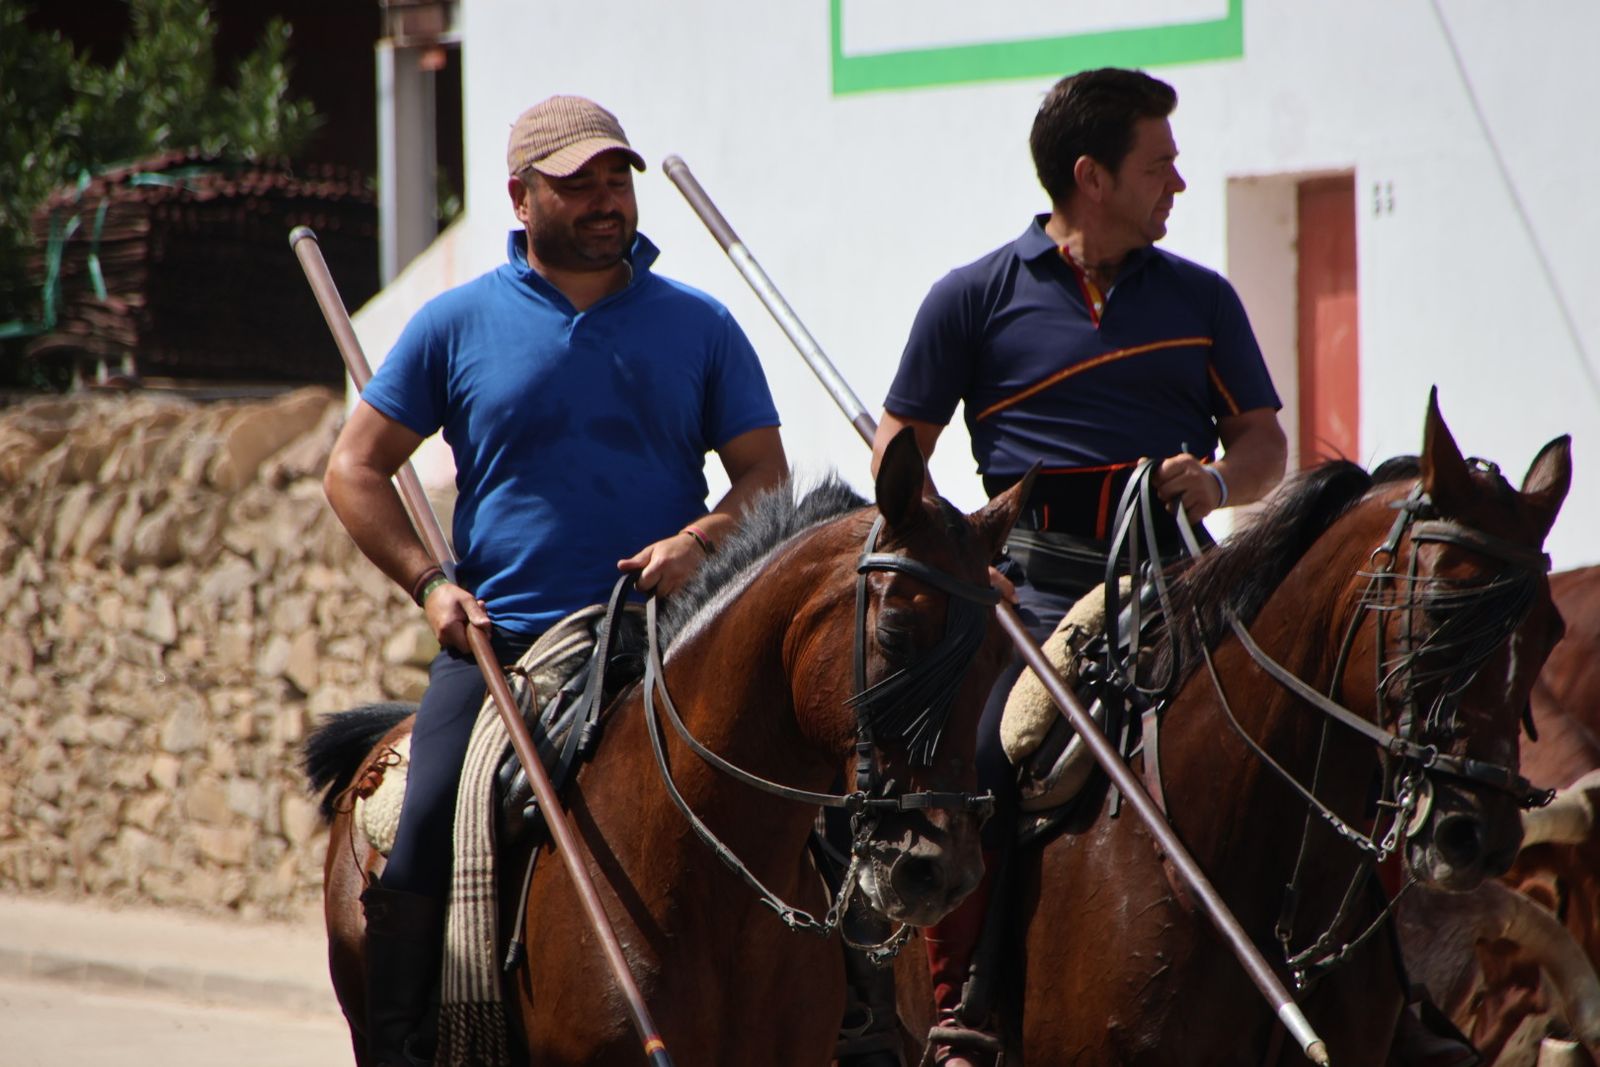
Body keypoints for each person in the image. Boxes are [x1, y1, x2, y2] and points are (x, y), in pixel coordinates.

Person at [322, 94, 788, 1067]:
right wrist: (428, 586)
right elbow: (354, 467)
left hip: (667, 635)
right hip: (509, 641)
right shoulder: (456, 323)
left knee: (806, 793)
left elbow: (764, 478)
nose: (606, 199)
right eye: (577, 183)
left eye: (616, 178)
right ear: (519, 196)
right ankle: (405, 1040)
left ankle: (865, 1019)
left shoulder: (699, 325)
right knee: (424, 815)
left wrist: (702, 540)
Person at [868, 68, 1286, 1067]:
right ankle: (966, 1001)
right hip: (1037, 590)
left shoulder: (1202, 298)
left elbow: (1264, 443)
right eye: (1161, 164)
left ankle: (1385, 990)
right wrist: (962, 557)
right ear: (1091, 176)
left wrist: (1218, 481)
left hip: (1183, 576)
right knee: (982, 754)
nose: (1178, 183)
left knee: (1316, 722)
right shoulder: (970, 300)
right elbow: (899, 458)